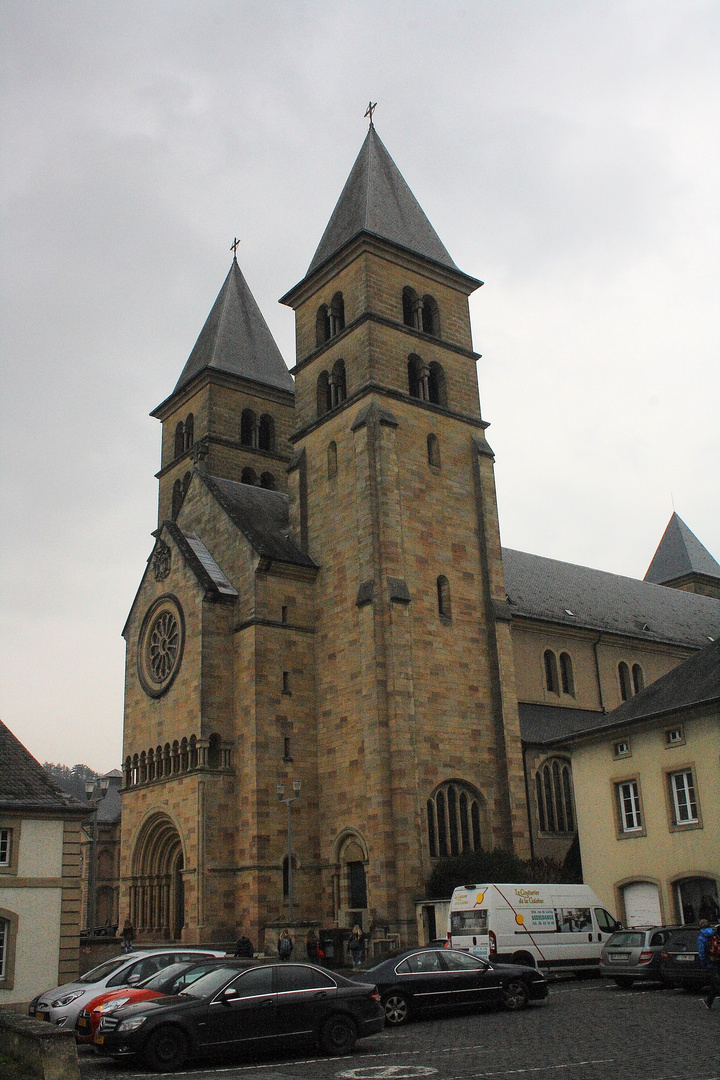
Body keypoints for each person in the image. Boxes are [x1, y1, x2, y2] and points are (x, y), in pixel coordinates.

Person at [698, 920, 720, 1009]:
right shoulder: (714, 934)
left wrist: (703, 963)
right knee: (715, 984)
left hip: (711, 962)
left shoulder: (701, 937)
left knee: (716, 983)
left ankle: (708, 1001)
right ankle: (708, 1001)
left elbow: (702, 952)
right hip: (718, 960)